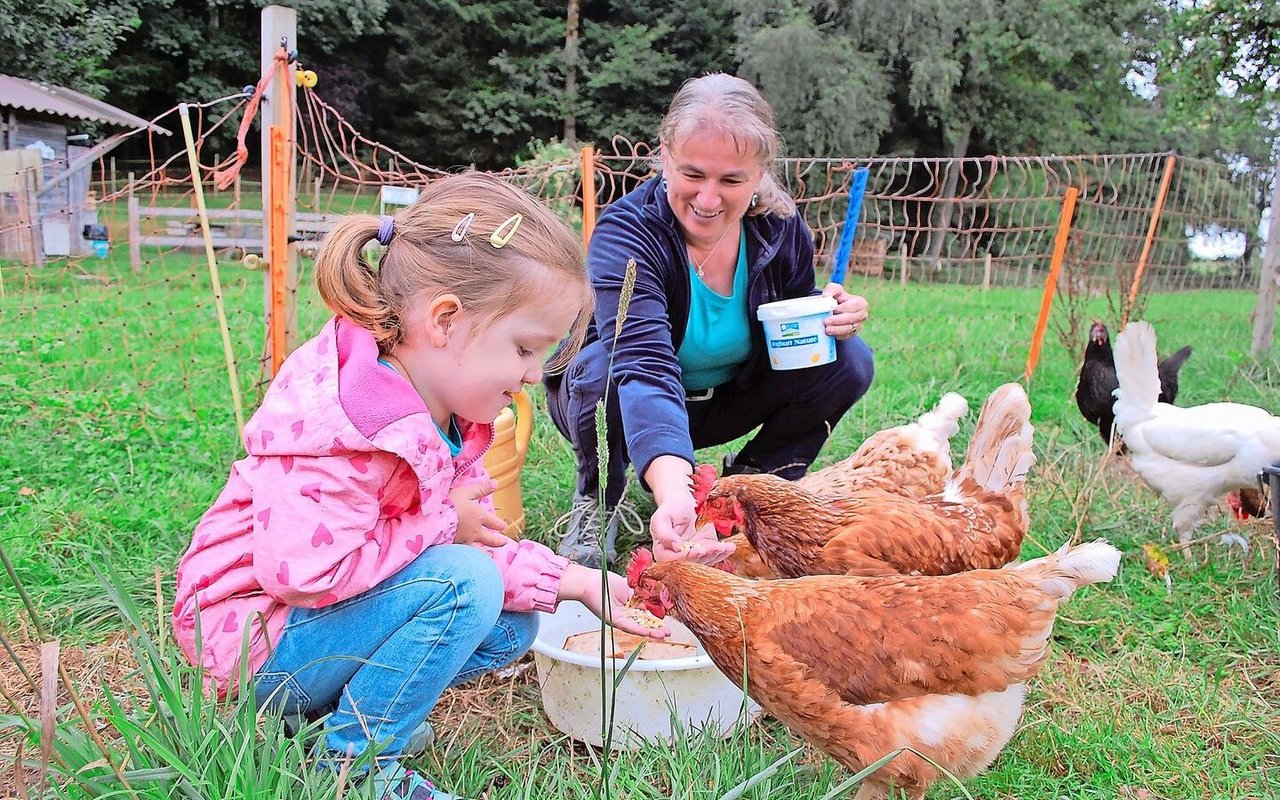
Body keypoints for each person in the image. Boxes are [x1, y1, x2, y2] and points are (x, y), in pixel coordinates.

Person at [172, 173, 667, 800]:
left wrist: (577, 583)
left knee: (510, 621)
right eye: (524, 348)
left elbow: (469, 541)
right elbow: (304, 574)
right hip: (251, 642)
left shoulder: (449, 416)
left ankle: (327, 719)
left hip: (307, 627)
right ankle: (355, 765)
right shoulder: (351, 426)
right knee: (469, 586)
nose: (532, 375)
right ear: (445, 321)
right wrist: (442, 525)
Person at [545, 73, 875, 569]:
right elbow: (643, 367)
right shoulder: (627, 235)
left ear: (761, 172)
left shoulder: (780, 230)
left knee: (847, 360)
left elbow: (791, 322)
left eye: (731, 180)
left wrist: (830, 315)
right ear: (664, 154)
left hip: (724, 398)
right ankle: (598, 499)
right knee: (600, 368)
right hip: (624, 403)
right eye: (693, 174)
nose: (708, 199)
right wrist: (675, 493)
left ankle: (749, 490)